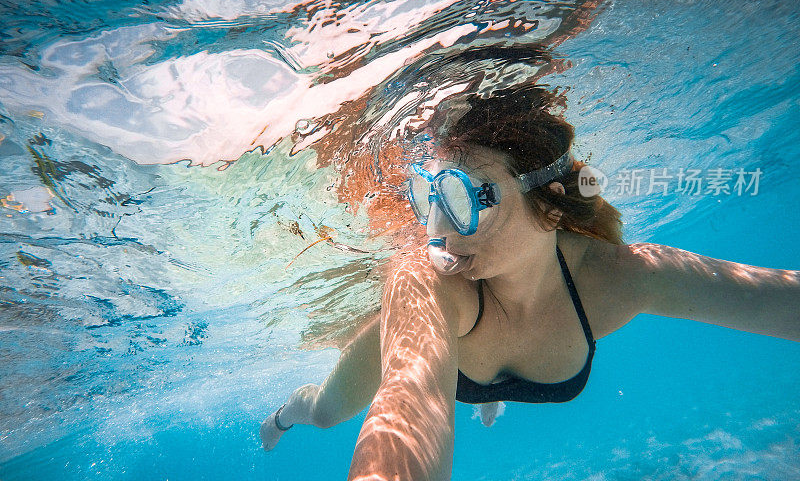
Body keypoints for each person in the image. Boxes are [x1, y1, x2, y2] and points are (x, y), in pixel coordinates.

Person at [259, 74, 800, 480]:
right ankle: (286, 414)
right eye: (430, 195)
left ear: (551, 202)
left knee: (467, 380)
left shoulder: (617, 276)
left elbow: (780, 301)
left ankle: (480, 389)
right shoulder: (427, 279)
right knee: (328, 413)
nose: (437, 231)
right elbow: (409, 392)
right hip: (438, 341)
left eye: (463, 197)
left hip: (475, 352)